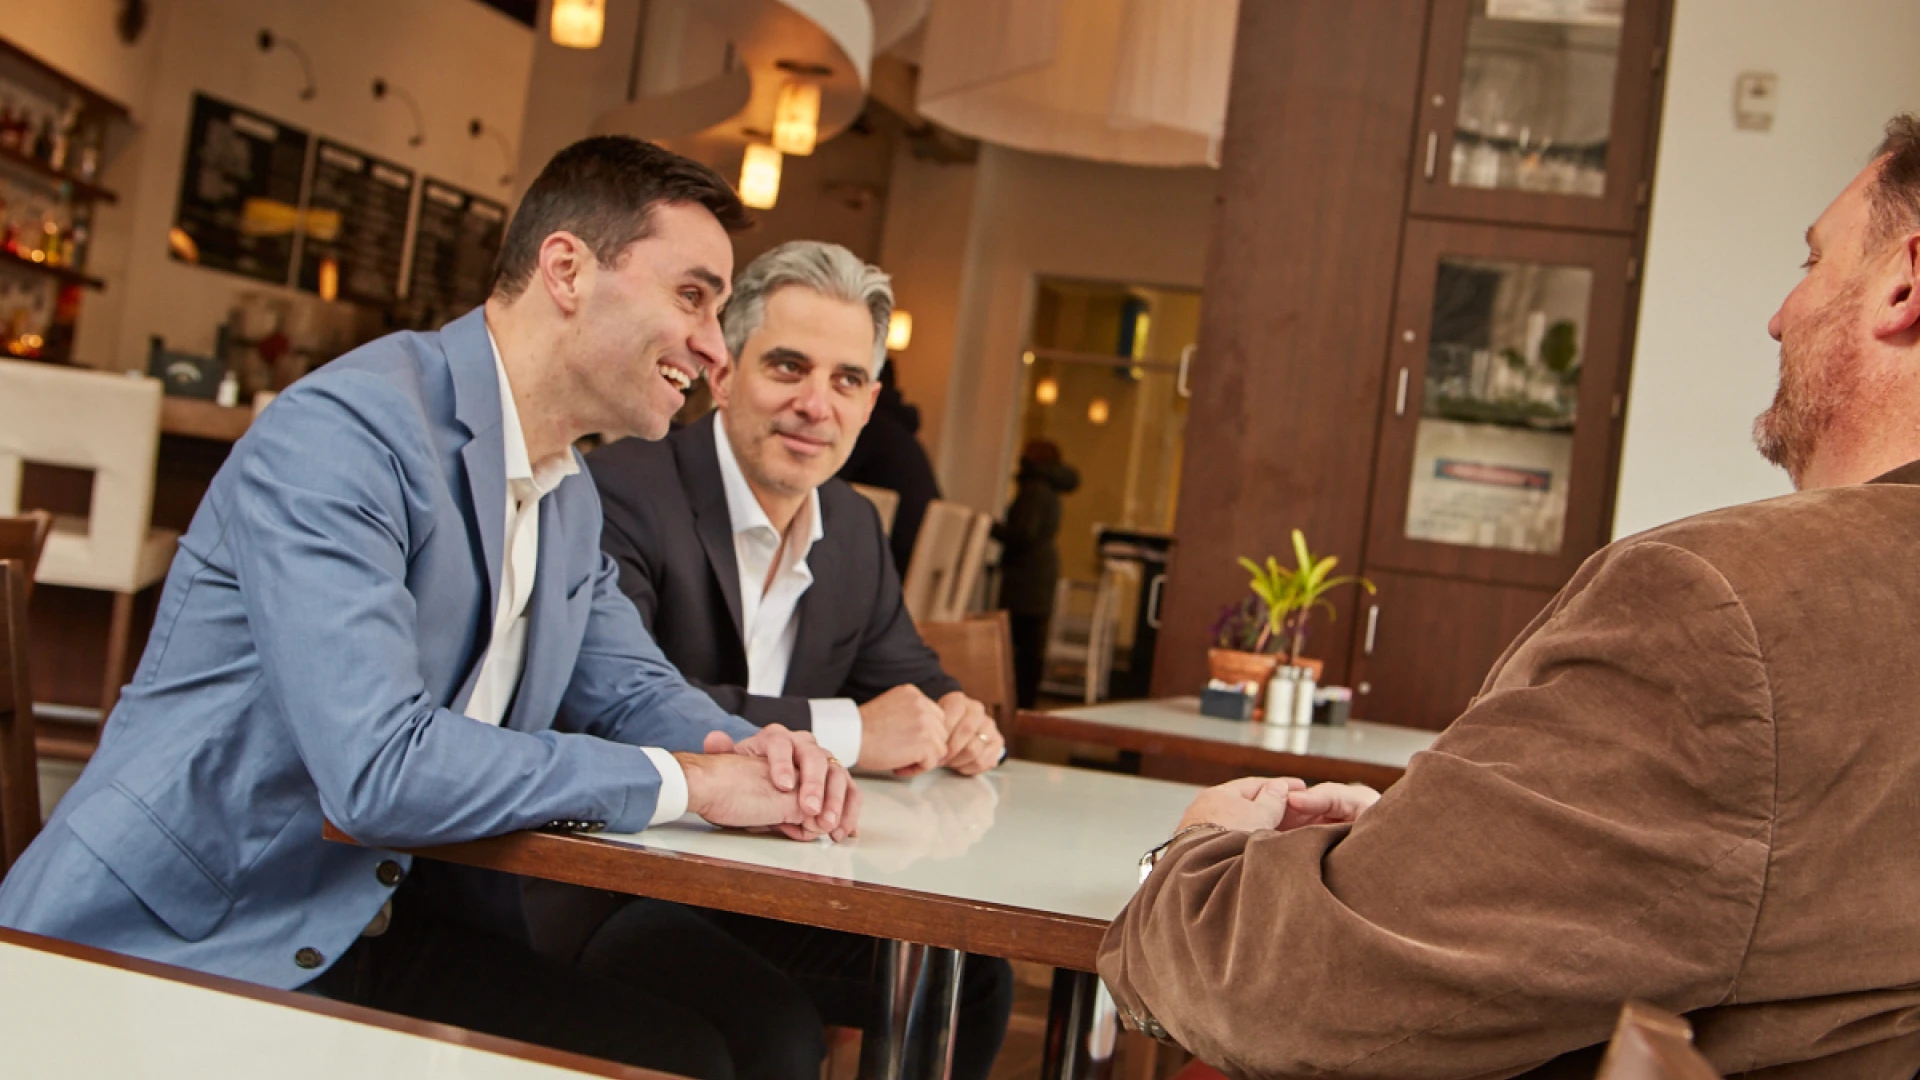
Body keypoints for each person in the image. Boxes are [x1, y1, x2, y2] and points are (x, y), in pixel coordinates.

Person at [0, 136, 859, 1077]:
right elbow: (376, 769)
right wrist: (690, 784)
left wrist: (752, 754)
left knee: (693, 1051)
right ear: (566, 269)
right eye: (693, 296)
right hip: (180, 938)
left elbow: (629, 687)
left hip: (366, 926)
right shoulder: (347, 433)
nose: (712, 344)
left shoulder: (567, 490)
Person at [1099, 115, 1920, 1079]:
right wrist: (1445, 846)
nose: (1780, 314)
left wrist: (1190, 860)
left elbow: (1291, 996)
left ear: (1905, 284)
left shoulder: (1723, 606)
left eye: (1814, 260)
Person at [544, 240, 1012, 1080]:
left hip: (774, 877)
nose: (815, 405)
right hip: (627, 876)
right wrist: (847, 734)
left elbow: (909, 673)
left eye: (845, 381)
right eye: (787, 367)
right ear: (723, 373)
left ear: (870, 404)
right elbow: (622, 696)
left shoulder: (855, 529)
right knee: (774, 1030)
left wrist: (956, 715)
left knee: (970, 978)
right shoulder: (622, 488)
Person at [838, 361, 943, 573]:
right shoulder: (900, 432)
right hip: (915, 565)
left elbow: (819, 486)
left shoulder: (870, 427)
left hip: (887, 568)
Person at [996, 439, 1079, 707]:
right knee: (1031, 642)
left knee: (1019, 644)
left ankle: (1017, 703)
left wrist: (992, 528)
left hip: (1026, 577)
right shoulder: (1049, 490)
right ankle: (1024, 704)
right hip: (1039, 575)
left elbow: (1023, 534)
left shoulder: (1034, 490)